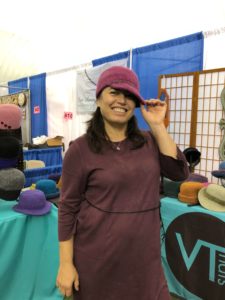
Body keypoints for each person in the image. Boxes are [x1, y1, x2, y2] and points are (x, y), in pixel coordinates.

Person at [56, 66, 189, 300]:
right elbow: (67, 209)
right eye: (113, 92)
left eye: (129, 95)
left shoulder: (149, 142)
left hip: (143, 260)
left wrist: (158, 125)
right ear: (98, 99)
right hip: (97, 261)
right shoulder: (80, 149)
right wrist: (66, 264)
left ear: (136, 104)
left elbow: (179, 172)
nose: (121, 100)